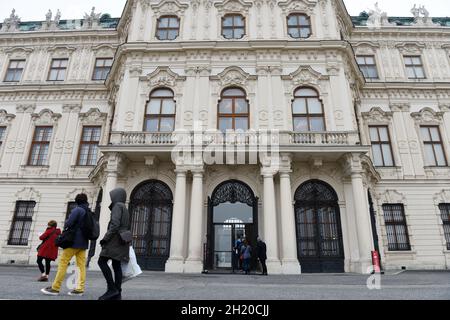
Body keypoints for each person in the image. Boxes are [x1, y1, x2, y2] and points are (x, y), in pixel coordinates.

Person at [41, 194, 91, 296]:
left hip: (73, 241)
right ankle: (79, 289)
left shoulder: (77, 210)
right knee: (81, 266)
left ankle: (55, 287)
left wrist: (68, 221)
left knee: (63, 263)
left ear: (77, 201)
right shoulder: (89, 211)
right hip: (84, 242)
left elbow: (69, 223)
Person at [98, 187, 131, 301]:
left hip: (115, 239)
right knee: (116, 265)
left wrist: (105, 239)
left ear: (116, 196)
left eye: (112, 196)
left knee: (101, 261)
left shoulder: (117, 206)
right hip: (123, 239)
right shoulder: (125, 207)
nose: (111, 199)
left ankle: (111, 289)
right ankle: (117, 293)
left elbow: (115, 224)